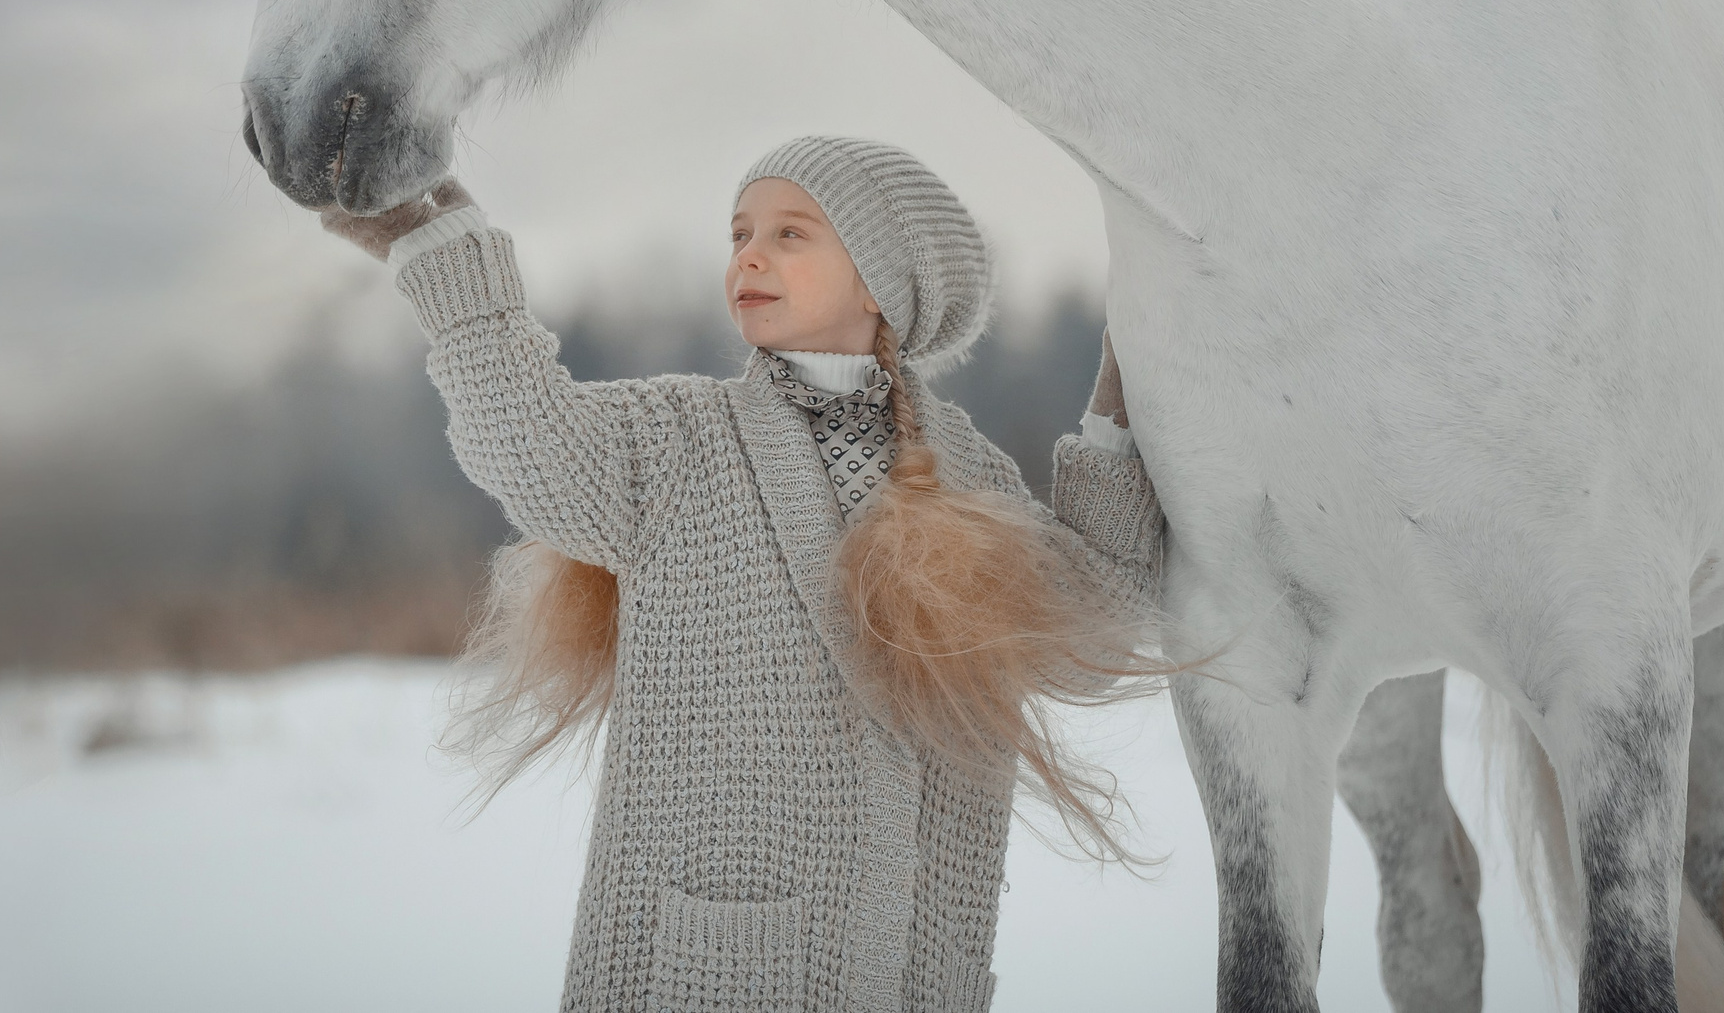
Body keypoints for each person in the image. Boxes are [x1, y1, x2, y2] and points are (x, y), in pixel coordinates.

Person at [319, 135, 1166, 1013]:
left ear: (880, 281)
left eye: (792, 233)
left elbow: (1089, 621)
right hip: (709, 969)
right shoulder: (677, 437)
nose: (749, 253)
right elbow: (530, 447)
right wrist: (446, 249)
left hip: (918, 972)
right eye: (739, 233)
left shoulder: (968, 469)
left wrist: (1116, 415)